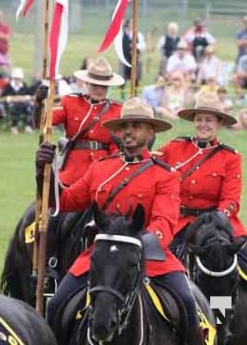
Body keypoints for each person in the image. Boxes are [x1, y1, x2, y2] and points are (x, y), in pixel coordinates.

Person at [36, 98, 204, 345]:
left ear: (150, 131)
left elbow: (164, 223)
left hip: (149, 256)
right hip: (102, 255)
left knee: (188, 304)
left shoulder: (164, 174)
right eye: (124, 125)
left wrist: (137, 243)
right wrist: (43, 173)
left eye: (136, 125)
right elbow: (67, 201)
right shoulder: (101, 167)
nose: (128, 131)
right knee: (57, 305)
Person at [158, 92, 247, 261]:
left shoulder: (230, 157)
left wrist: (216, 220)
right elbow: (148, 165)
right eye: (199, 119)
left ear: (219, 123)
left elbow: (231, 200)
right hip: (179, 223)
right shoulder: (174, 147)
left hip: (215, 225)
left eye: (209, 120)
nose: (203, 124)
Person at [34, 57, 125, 186]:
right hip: (72, 171)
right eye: (95, 85)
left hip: (102, 171)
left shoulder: (117, 110)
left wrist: (113, 168)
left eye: (103, 87)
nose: (99, 90)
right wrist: (39, 103)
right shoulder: (70, 102)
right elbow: (43, 123)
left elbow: (117, 146)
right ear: (86, 83)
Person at [119, 18, 146, 98]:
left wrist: (135, 46)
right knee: (123, 77)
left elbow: (143, 45)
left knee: (136, 77)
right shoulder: (122, 34)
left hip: (135, 59)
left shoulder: (138, 34)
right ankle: (122, 95)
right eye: (131, 23)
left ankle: (135, 94)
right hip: (125, 58)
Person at [1, 67, 33, 134]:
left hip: (23, 104)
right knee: (15, 108)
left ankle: (28, 126)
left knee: (30, 107)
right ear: (13, 78)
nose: (17, 80)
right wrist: (12, 98)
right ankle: (13, 126)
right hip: (11, 105)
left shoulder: (23, 85)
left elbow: (28, 95)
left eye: (19, 79)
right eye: (16, 78)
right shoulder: (8, 86)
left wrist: (23, 98)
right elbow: (3, 97)